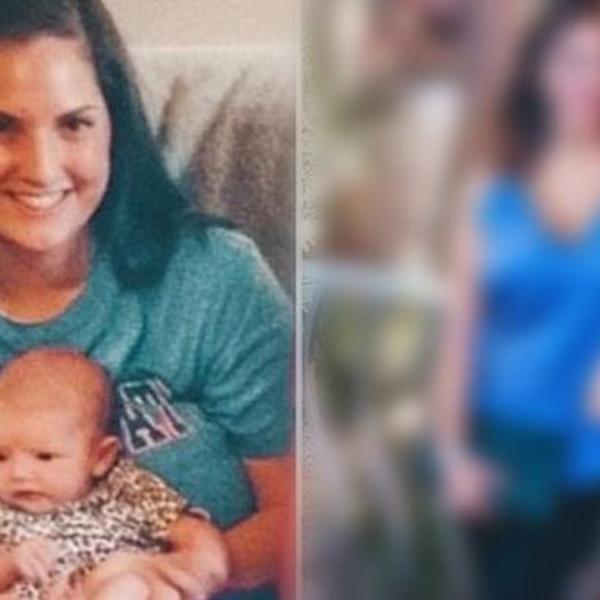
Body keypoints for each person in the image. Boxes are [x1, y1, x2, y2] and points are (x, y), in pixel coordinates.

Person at [0, 2, 292, 599]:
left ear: (114, 126)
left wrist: (181, 577)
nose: (42, 168)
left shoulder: (212, 279)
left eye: (74, 123)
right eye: (1, 126)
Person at [437, 1, 600, 598]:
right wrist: (452, 452)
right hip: (496, 452)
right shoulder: (492, 185)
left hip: (584, 459)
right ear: (542, 68)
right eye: (574, 60)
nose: (589, 81)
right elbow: (458, 333)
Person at [0, 347, 229, 600]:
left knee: (125, 582)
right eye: (1, 457)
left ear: (101, 457)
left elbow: (193, 533)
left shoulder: (128, 486)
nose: (18, 473)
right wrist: (11, 564)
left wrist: (199, 568)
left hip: (114, 584)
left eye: (44, 457)